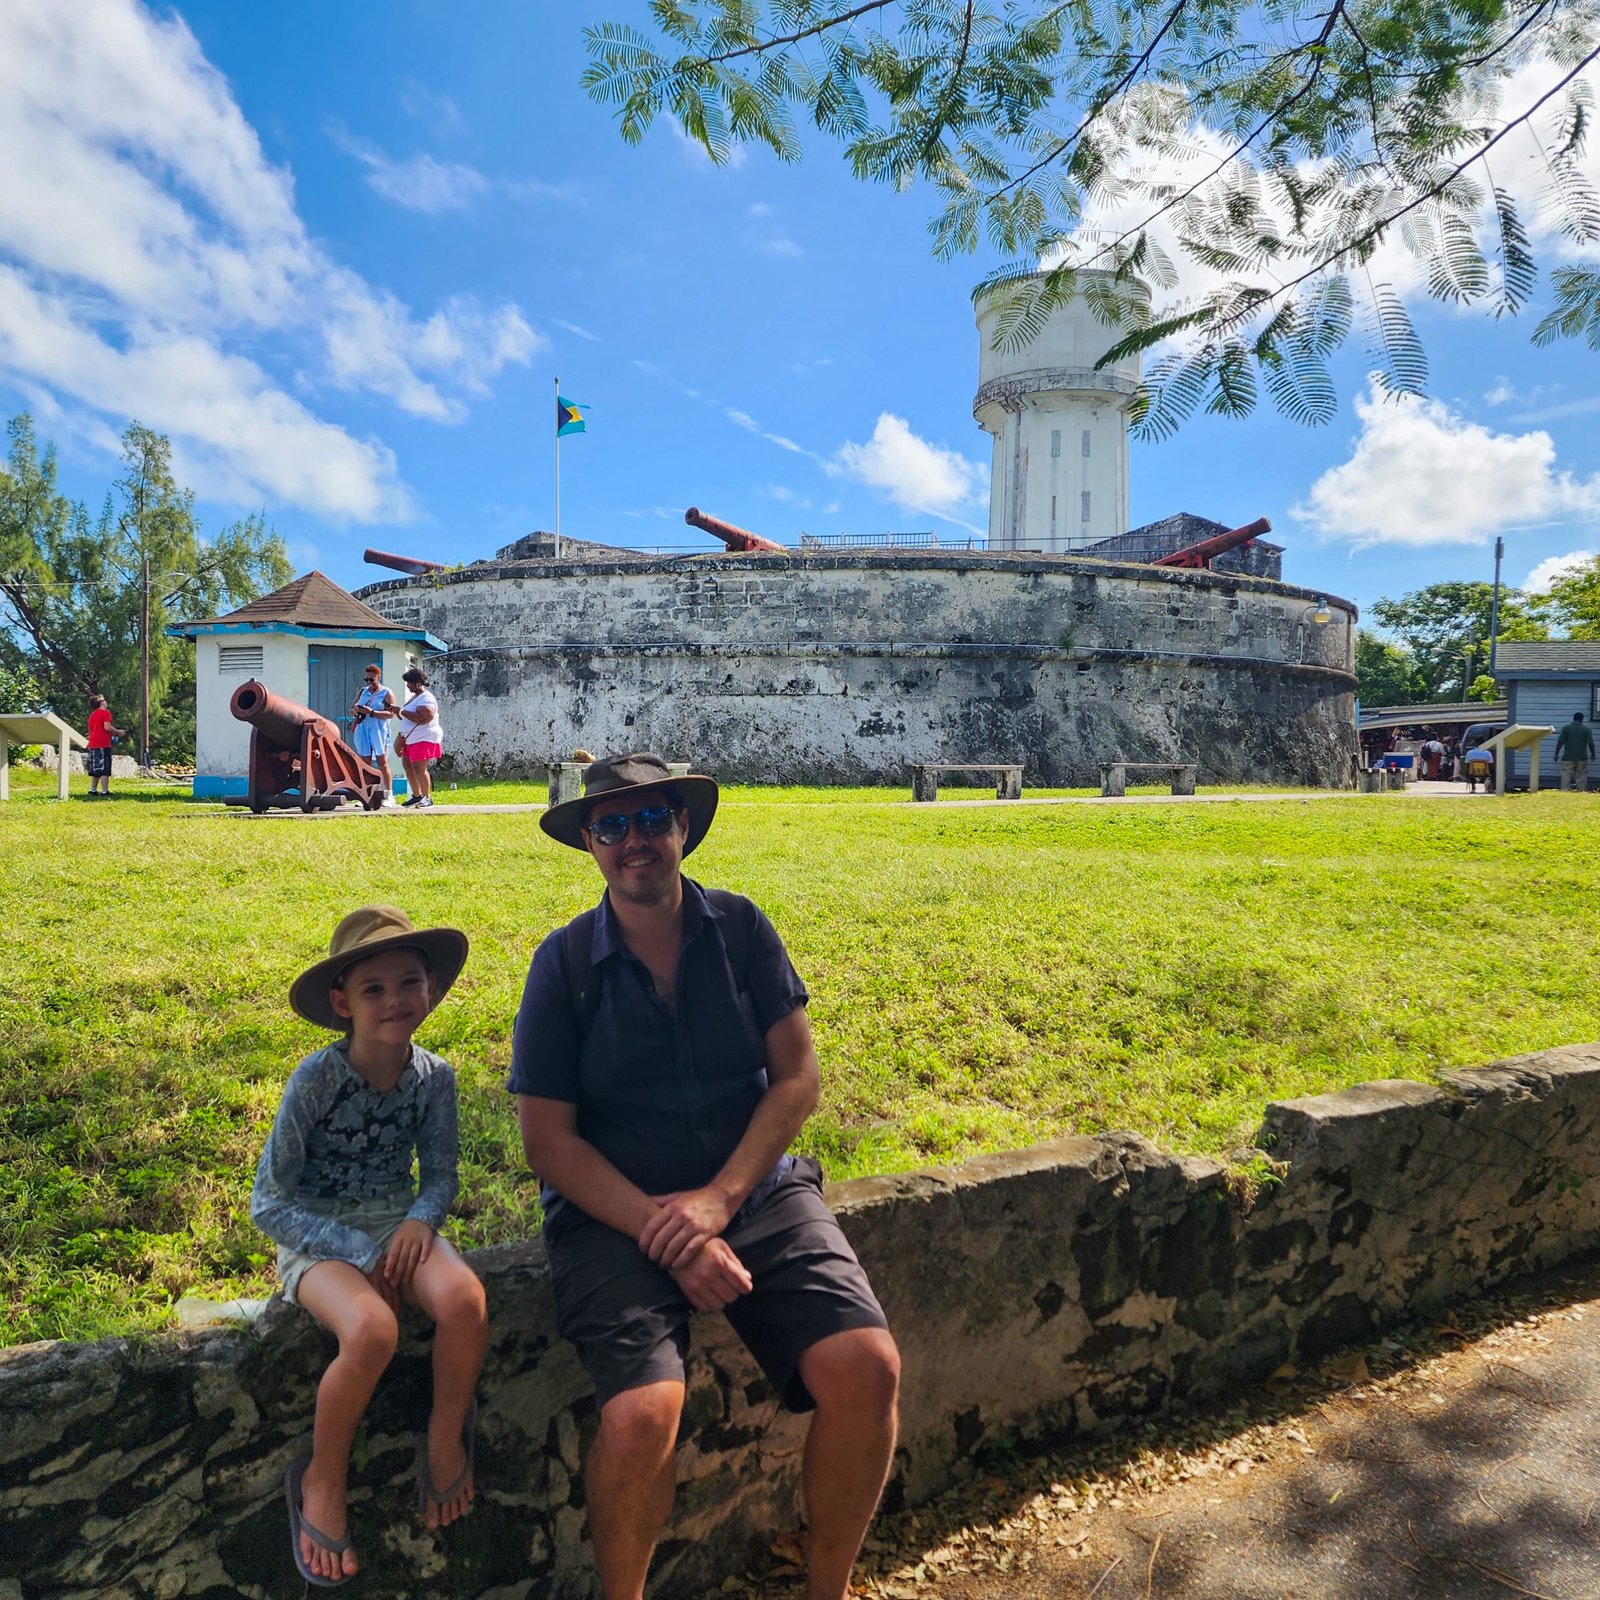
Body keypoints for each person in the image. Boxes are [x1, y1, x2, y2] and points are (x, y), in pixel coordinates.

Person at [510, 753, 900, 1600]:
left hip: (750, 1187)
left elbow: (797, 1077)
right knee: (643, 1413)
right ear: (588, 843)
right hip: (613, 1212)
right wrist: (673, 1235)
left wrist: (719, 1201)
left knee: (868, 1369)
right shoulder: (565, 965)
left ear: (683, 828)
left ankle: (826, 1587)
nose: (635, 840)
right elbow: (549, 1142)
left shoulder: (742, 929)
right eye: (612, 825)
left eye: (653, 819)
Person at [252, 906, 488, 1585]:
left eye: (409, 982)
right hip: (315, 1232)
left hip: (395, 1218)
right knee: (372, 1328)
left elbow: (440, 1171)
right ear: (341, 1002)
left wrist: (421, 1219)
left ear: (433, 989)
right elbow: (268, 1202)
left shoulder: (434, 1077)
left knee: (465, 1300)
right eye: (373, 988)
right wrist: (357, 1252)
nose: (395, 1001)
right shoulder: (316, 1080)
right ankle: (323, 1480)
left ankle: (444, 1436)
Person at [349, 663, 399, 805]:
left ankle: (389, 794)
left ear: (379, 677)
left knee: (382, 761)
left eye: (372, 680)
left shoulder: (386, 692)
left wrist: (372, 712)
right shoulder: (362, 692)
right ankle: (366, 793)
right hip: (363, 728)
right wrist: (356, 711)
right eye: (367, 680)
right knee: (365, 762)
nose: (369, 683)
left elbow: (391, 714)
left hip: (378, 728)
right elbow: (351, 708)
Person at [397, 667, 442, 809]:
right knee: (407, 765)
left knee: (419, 767)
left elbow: (425, 717)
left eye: (409, 682)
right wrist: (397, 711)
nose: (407, 685)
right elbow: (406, 716)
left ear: (418, 683)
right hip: (410, 738)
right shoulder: (414, 697)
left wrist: (401, 711)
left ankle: (427, 797)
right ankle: (416, 795)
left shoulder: (426, 698)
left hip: (423, 736)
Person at [84, 693, 127, 799]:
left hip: (92, 744)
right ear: (101, 702)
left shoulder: (92, 715)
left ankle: (93, 790)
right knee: (104, 768)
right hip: (102, 744)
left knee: (95, 768)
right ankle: (104, 791)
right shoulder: (105, 713)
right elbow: (107, 727)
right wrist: (118, 732)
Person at [1554, 711, 1595, 791]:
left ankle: (1565, 791)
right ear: (1582, 719)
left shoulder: (1566, 728)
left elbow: (1560, 742)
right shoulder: (1586, 729)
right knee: (1581, 775)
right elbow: (1590, 743)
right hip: (1582, 757)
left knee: (1566, 774)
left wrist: (1556, 753)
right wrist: (1593, 754)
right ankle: (1582, 791)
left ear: (1573, 718)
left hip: (1568, 756)